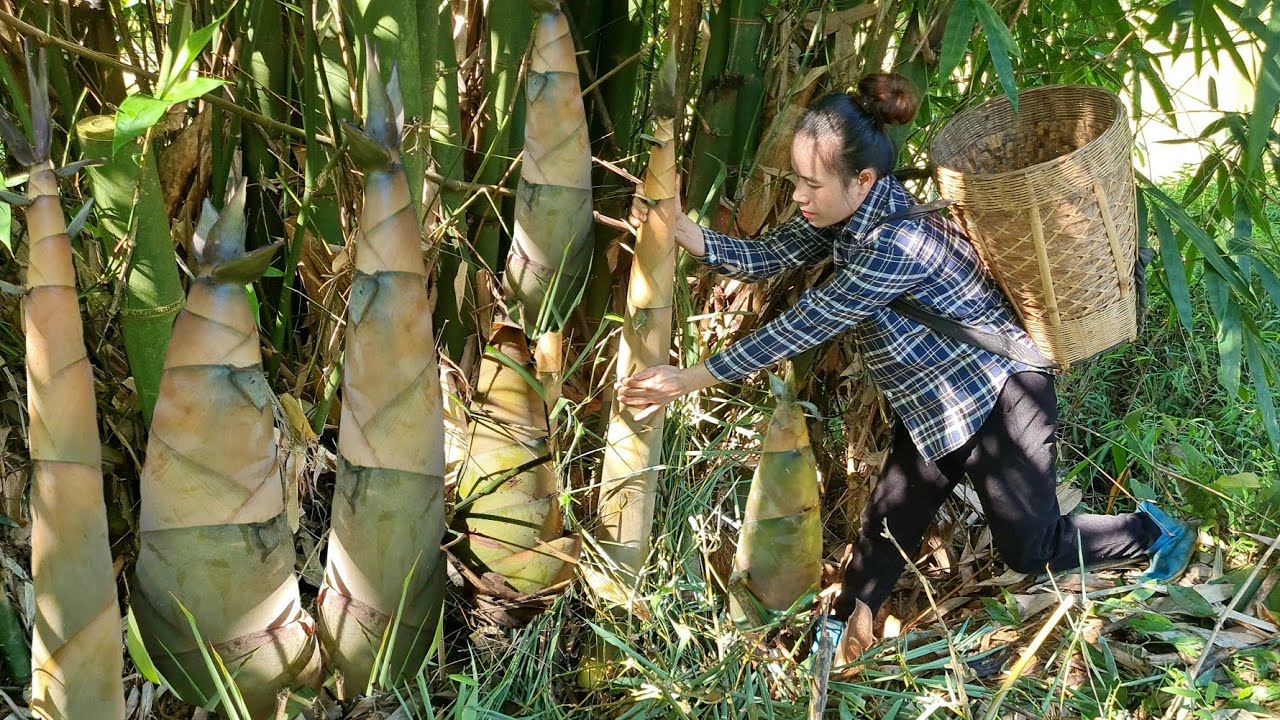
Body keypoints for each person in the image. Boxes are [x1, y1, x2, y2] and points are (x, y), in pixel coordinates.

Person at [619, 73, 1197, 668]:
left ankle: (1152, 531)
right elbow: (769, 255)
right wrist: (686, 234)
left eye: (810, 183)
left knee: (1031, 547)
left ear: (863, 179)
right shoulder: (842, 215)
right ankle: (837, 636)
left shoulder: (899, 241)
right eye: (795, 179)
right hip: (935, 403)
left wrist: (691, 378)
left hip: (1000, 395)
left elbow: (809, 322)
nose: (798, 195)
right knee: (887, 529)